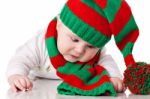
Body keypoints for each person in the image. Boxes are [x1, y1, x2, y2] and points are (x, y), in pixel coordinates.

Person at [7, 0, 143, 96]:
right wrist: (17, 75)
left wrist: (114, 77)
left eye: (90, 46)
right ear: (59, 25)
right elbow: (20, 58)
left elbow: (107, 61)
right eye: (74, 39)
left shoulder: (97, 54)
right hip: (38, 87)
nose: (79, 50)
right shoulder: (40, 44)